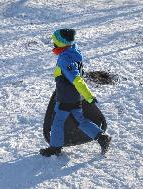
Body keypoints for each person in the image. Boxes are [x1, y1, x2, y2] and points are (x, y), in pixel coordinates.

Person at [40, 29, 111, 157]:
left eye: (55, 42)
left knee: (57, 122)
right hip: (75, 96)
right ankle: (101, 137)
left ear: (61, 43)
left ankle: (55, 147)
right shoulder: (73, 52)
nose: (53, 44)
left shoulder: (65, 59)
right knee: (81, 120)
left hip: (66, 98)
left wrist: (89, 96)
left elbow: (77, 79)